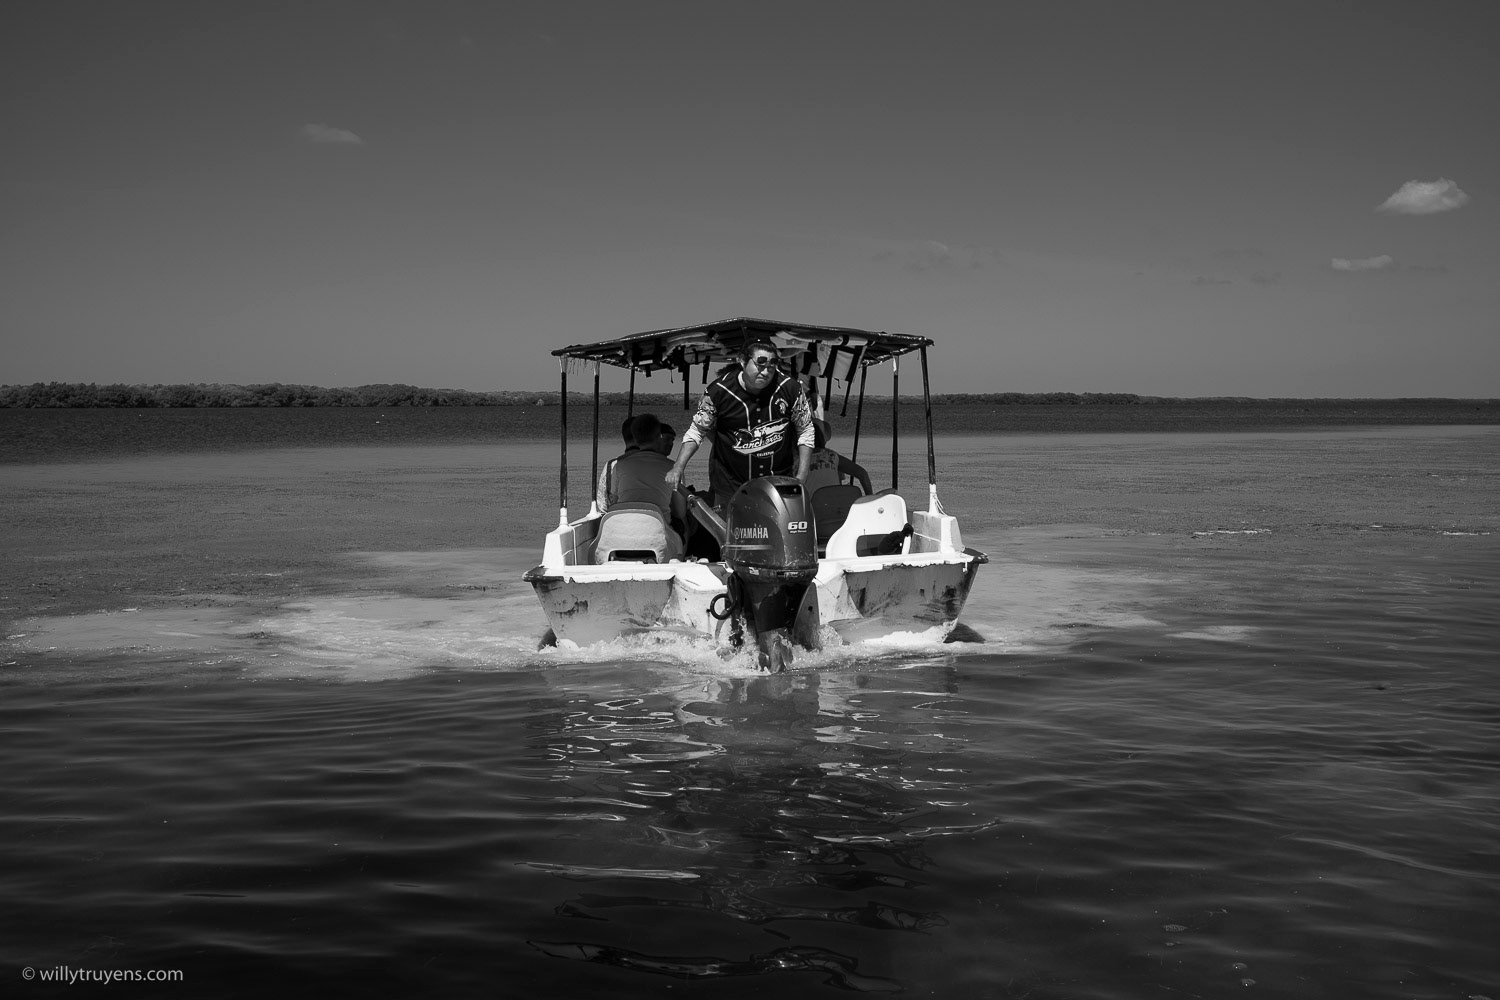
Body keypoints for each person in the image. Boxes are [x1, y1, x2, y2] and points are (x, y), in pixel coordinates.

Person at [666, 340, 815, 506]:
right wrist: (678, 467)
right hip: (730, 485)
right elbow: (698, 430)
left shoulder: (791, 389)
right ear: (742, 361)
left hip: (778, 483)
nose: (766, 372)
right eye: (760, 364)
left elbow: (805, 429)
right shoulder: (718, 391)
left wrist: (802, 475)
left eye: (772, 365)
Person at [806, 418, 873, 495]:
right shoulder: (832, 456)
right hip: (833, 503)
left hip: (810, 505)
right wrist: (870, 497)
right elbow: (862, 473)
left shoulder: (796, 459)